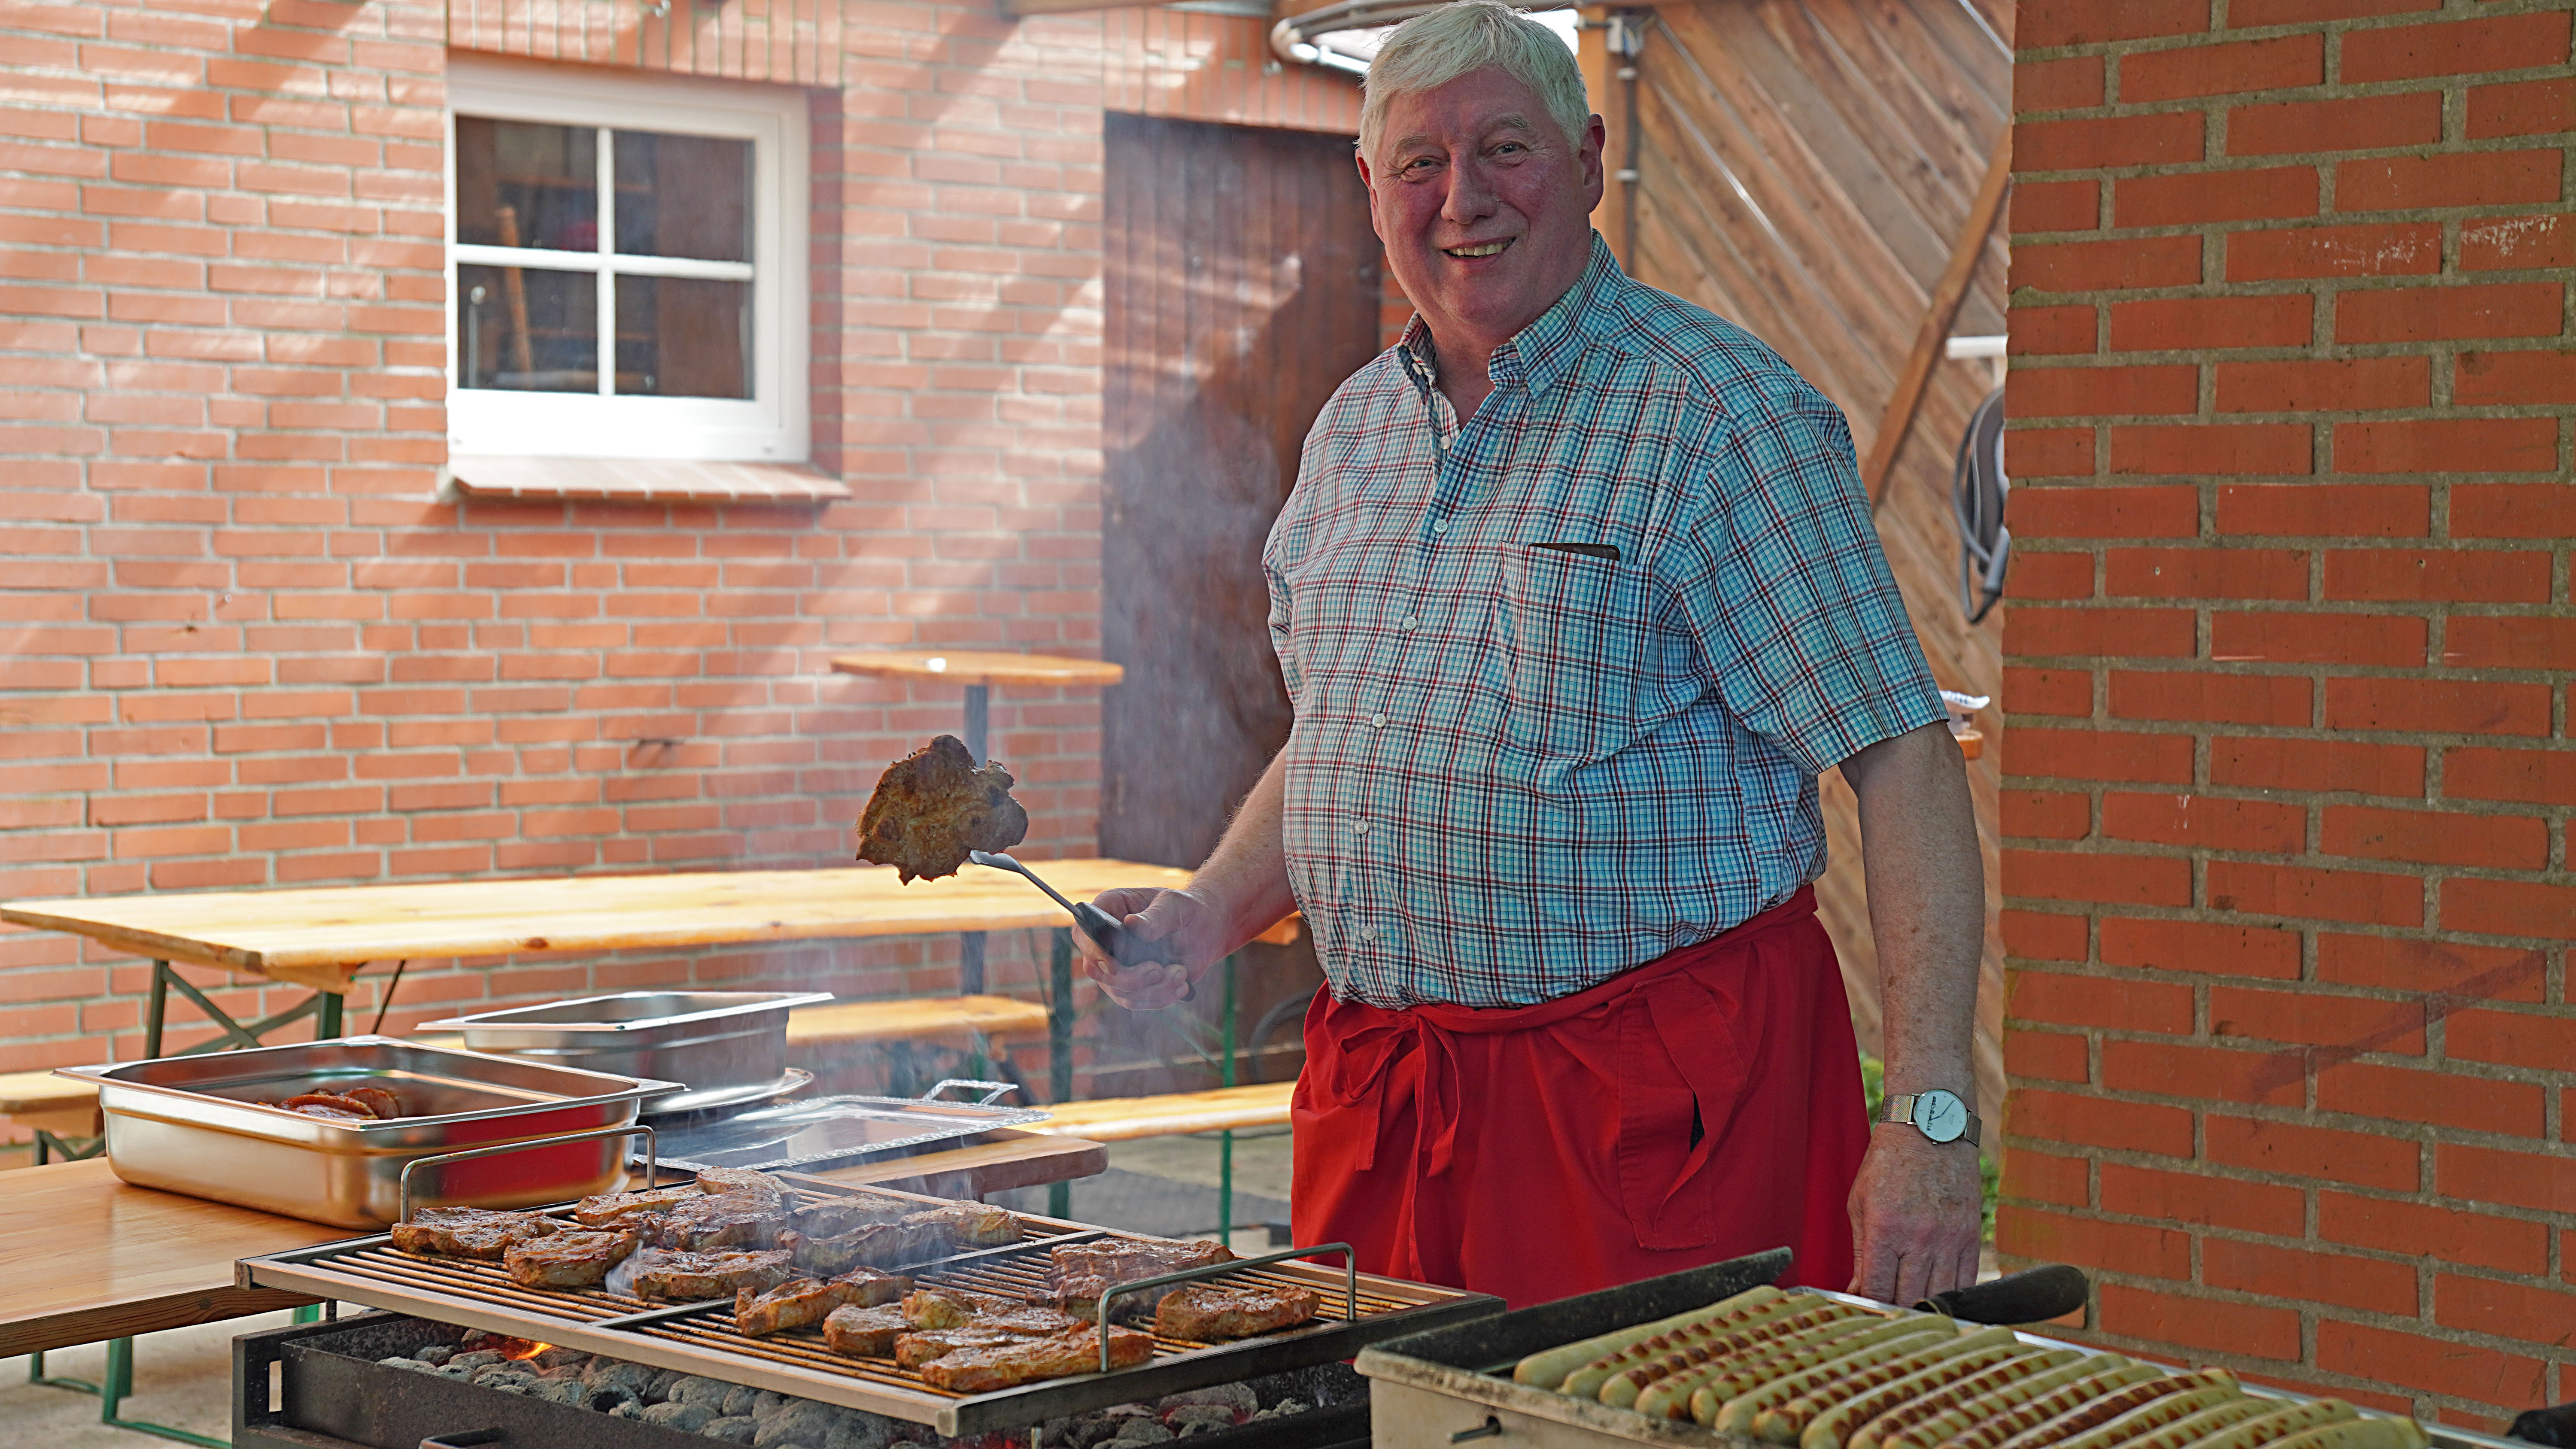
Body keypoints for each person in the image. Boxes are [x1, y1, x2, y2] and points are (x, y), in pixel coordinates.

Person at [1074, 0, 1985, 1310]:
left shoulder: (1726, 422)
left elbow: (1901, 760)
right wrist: (1214, 908)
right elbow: (1348, 733)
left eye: (1504, 149)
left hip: (1654, 1126)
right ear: (1372, 185)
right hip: (1390, 1113)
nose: (1463, 200)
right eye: (1421, 164)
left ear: (1586, 158)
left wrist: (1935, 1118)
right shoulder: (1353, 434)